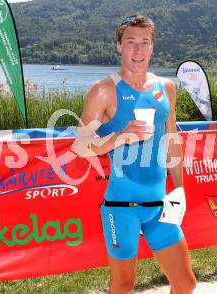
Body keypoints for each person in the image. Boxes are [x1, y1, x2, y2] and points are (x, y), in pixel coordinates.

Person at [73, 14, 196, 294]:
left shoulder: (165, 88)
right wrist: (118, 137)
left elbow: (171, 141)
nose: (138, 50)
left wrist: (179, 191)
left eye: (144, 42)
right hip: (121, 208)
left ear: (152, 47)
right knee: (123, 285)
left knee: (185, 283)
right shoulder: (103, 91)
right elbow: (79, 146)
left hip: (159, 205)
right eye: (131, 42)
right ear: (119, 46)